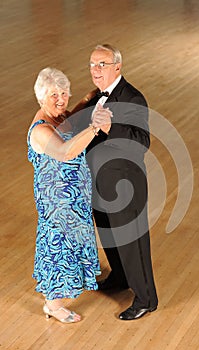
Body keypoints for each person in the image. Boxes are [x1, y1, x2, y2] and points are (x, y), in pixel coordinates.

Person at [73, 44, 158, 320]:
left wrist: (111, 128)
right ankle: (120, 278)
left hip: (126, 187)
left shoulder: (133, 98)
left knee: (133, 244)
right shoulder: (97, 97)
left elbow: (141, 142)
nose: (95, 70)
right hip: (100, 184)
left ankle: (146, 299)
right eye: (92, 65)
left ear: (117, 67)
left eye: (102, 65)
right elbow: (75, 126)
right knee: (110, 237)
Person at [27, 67, 111, 323]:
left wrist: (87, 99)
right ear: (42, 97)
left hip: (73, 198)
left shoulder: (57, 115)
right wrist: (95, 128)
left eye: (64, 93)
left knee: (73, 243)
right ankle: (53, 305)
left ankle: (63, 290)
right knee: (58, 248)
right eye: (54, 94)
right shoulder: (40, 129)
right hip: (57, 203)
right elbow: (65, 151)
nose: (61, 99)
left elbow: (69, 122)